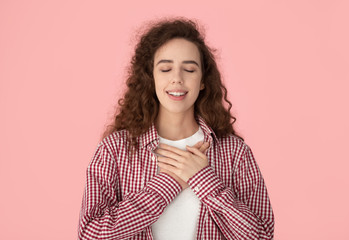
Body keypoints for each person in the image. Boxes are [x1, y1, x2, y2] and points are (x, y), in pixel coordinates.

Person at [77, 17, 274, 240]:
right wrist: (168, 183)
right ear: (150, 77)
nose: (177, 79)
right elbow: (90, 234)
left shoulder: (234, 153)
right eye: (165, 69)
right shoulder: (114, 149)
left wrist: (203, 179)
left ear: (202, 81)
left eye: (189, 70)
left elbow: (261, 236)